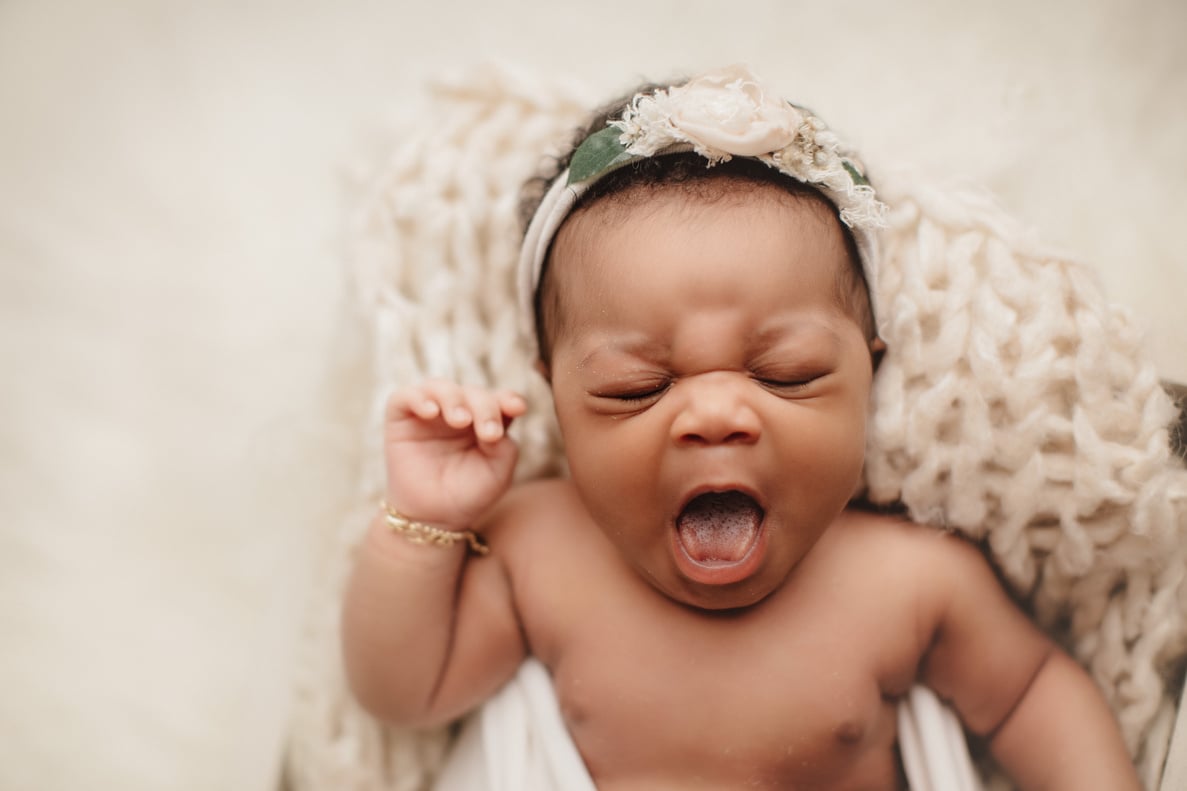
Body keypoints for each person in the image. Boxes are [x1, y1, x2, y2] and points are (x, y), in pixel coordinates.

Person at [341, 65, 1140, 790]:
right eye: (636, 387)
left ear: (870, 372)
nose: (715, 414)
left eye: (785, 374)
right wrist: (421, 526)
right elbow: (406, 691)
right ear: (555, 397)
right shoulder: (538, 550)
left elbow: (1028, 695)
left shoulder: (911, 583)